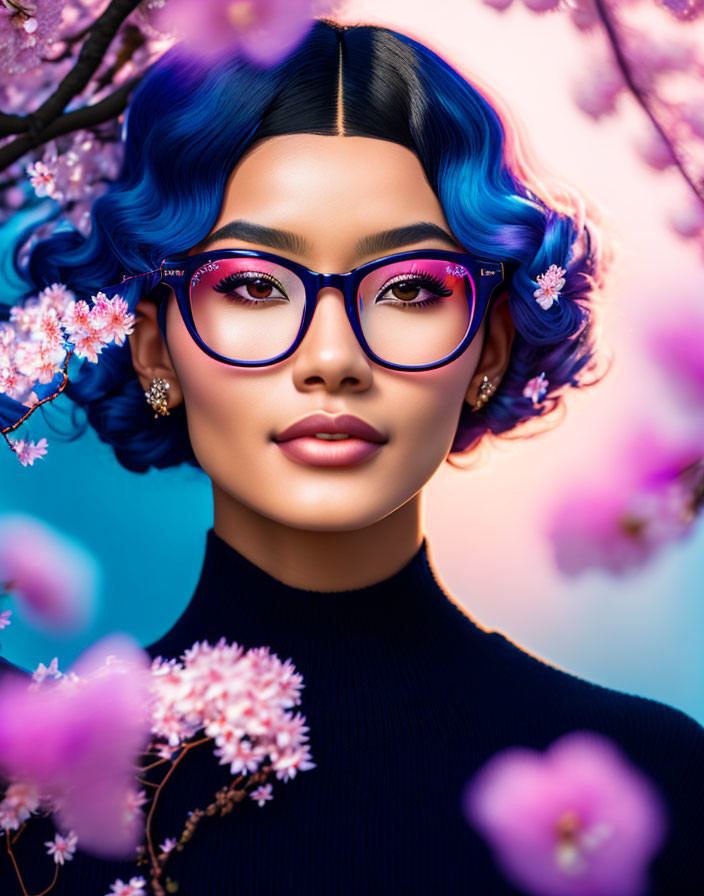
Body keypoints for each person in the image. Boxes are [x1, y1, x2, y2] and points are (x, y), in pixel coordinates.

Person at [2, 17, 703, 896]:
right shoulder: (30, 806)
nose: (332, 356)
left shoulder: (666, 786)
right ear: (153, 348)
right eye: (252, 284)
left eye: (411, 288)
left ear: (487, 347)